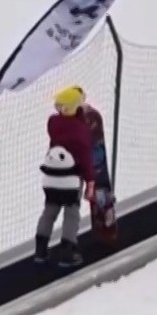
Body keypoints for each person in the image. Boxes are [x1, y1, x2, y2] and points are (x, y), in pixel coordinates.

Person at [37, 85, 97, 268]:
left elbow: (63, 122)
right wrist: (91, 181)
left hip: (51, 178)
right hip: (71, 180)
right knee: (71, 214)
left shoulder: (53, 123)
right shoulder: (81, 130)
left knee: (49, 211)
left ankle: (40, 250)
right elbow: (85, 158)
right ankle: (67, 253)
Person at [71, 85, 117, 247]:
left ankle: (105, 226)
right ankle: (105, 225)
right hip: (90, 161)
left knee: (98, 190)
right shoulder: (87, 117)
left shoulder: (90, 117)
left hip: (92, 162)